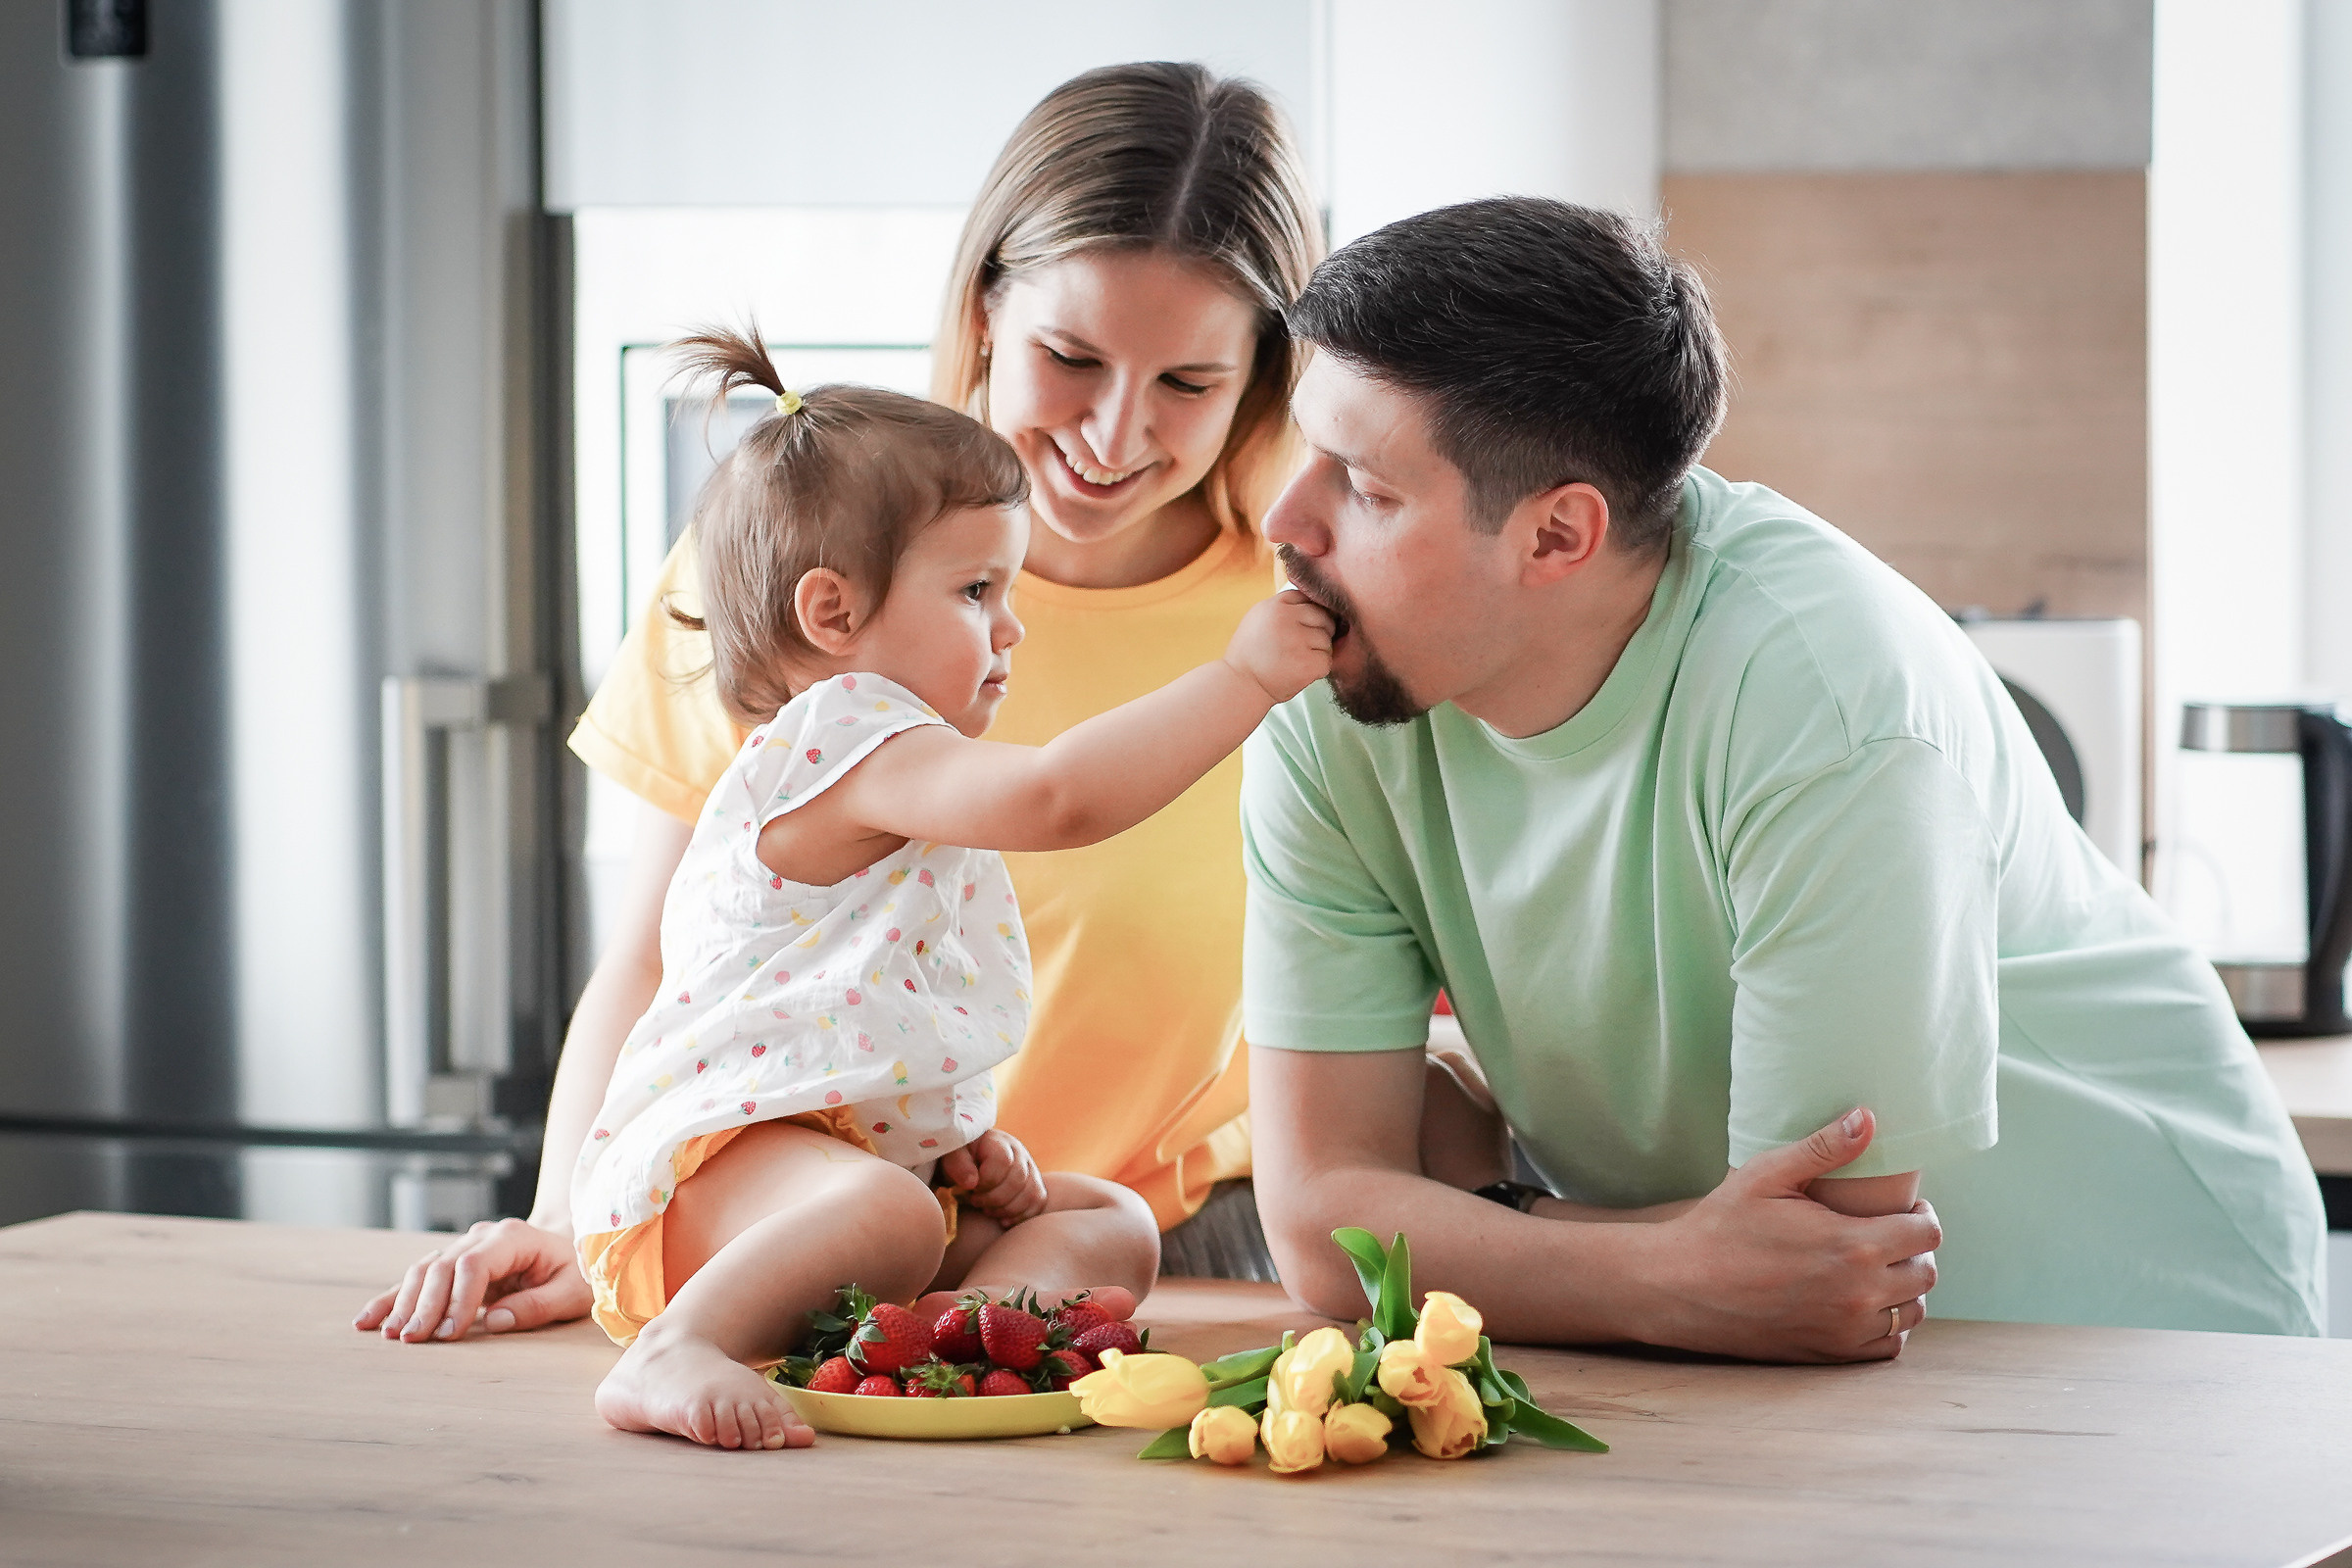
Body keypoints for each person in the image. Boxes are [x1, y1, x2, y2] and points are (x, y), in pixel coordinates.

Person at [1244, 197, 2328, 1360]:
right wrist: (1659, 1268)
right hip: (1764, 1367)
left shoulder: (1831, 704)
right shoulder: (1337, 696)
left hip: (2153, 1346)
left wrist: (1499, 1232)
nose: (1283, 517)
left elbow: (1817, 1262)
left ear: (1559, 537)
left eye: (1364, 484)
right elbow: (1319, 1230)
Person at [355, 62, 1327, 1348]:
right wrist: (572, 1215)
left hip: (1135, 1241)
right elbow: (658, 952)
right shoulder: (793, 581)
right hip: (799, 1224)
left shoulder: (1299, 610)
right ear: (986, 311)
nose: (1112, 432)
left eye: (1187, 385)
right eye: (1070, 357)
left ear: (1261, 373)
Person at [480, 329, 1331, 1449]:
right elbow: (1057, 799)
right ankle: (672, 1350)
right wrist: (1243, 678)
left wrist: (955, 1145)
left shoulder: (898, 759)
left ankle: (931, 1348)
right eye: (978, 589)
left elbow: (875, 1018)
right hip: (710, 1184)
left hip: (838, 1181)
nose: (1012, 625)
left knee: (1107, 1221)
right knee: (881, 1208)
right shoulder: (845, 737)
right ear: (832, 615)